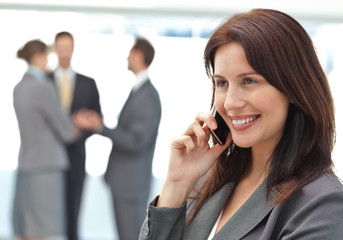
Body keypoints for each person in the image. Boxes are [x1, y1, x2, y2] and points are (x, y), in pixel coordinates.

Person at [138, 8, 343, 240]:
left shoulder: (322, 205)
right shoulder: (206, 183)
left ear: (294, 88)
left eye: (249, 81)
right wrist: (177, 184)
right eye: (222, 83)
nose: (231, 103)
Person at [75, 37, 162, 240]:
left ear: (138, 55)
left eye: (130, 53)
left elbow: (135, 141)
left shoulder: (148, 96)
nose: (127, 57)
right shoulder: (139, 91)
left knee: (130, 235)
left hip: (131, 185)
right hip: (124, 182)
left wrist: (100, 127)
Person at [13, 39, 79, 240]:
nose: (49, 63)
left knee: (27, 227)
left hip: (26, 165)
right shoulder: (44, 87)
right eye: (47, 57)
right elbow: (67, 132)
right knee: (44, 229)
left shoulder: (19, 87)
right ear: (38, 57)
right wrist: (75, 123)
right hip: (47, 168)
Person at [51, 31, 102, 240]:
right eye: (60, 48)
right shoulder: (43, 81)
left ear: (73, 49)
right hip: (49, 158)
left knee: (73, 214)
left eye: (68, 47)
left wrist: (79, 129)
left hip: (77, 158)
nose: (64, 52)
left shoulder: (87, 83)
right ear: (55, 49)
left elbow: (97, 119)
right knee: (48, 215)